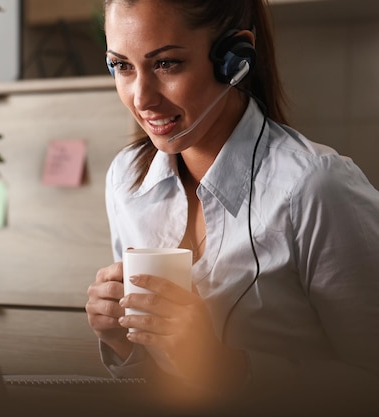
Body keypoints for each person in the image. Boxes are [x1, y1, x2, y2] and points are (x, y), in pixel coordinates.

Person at [85, 0, 379, 414]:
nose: (142, 98)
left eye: (167, 64)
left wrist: (230, 370)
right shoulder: (127, 178)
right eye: (122, 66)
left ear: (234, 58)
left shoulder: (316, 186)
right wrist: (123, 341)